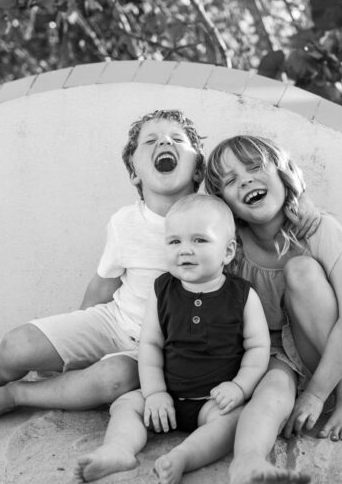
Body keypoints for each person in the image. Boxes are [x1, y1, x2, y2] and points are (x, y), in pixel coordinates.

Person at [0, 109, 208, 427]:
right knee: (18, 345)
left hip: (160, 349)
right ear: (134, 174)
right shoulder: (125, 222)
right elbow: (103, 285)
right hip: (115, 322)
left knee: (112, 378)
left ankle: (16, 394)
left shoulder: (216, 222)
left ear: (198, 169)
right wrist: (78, 344)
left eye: (177, 139)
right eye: (151, 140)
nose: (164, 142)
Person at [203, 135, 342, 484]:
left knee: (301, 270)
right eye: (230, 181)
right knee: (271, 393)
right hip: (275, 355)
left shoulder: (319, 229)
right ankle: (249, 463)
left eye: (253, 167)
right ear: (224, 203)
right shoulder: (231, 246)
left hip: (334, 350)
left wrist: (316, 394)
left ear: (283, 174)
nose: (246, 179)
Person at [74, 194, 270, 484]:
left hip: (213, 399)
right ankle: (118, 450)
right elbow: (150, 344)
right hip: (164, 396)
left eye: (199, 240)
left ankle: (183, 457)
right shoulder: (163, 289)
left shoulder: (242, 295)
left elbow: (258, 347)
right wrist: (154, 393)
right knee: (127, 404)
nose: (185, 251)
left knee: (233, 422)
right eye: (175, 241)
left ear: (228, 252)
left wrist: (239, 388)